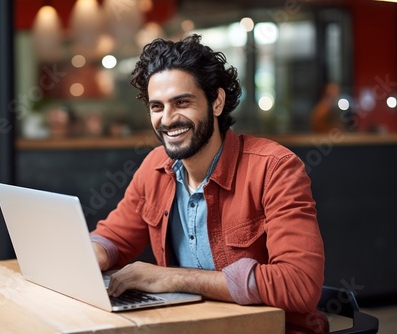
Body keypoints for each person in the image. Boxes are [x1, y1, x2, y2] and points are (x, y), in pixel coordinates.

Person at [90, 34, 328, 334]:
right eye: (157, 107)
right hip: (192, 326)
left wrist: (172, 278)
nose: (168, 119)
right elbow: (113, 237)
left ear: (216, 101)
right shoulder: (154, 167)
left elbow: (299, 285)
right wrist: (92, 254)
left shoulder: (274, 168)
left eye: (182, 102)